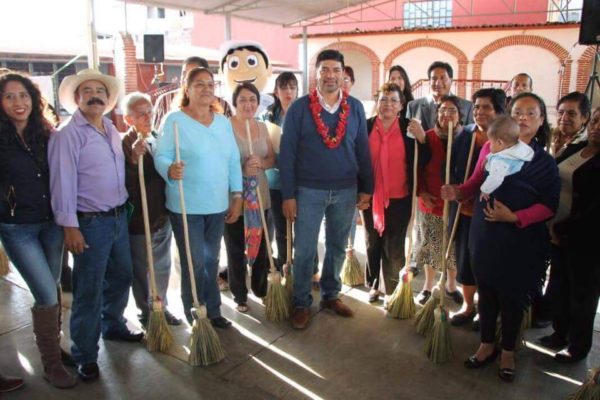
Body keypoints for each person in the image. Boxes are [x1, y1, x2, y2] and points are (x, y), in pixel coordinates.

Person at [444, 92, 560, 382]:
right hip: (485, 235)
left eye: (531, 113)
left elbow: (549, 206)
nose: (522, 117)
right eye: (518, 111)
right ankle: (486, 344)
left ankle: (508, 349)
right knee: (486, 292)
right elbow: (474, 183)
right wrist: (458, 192)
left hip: (520, 240)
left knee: (512, 296)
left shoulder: (543, 162)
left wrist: (515, 217)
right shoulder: (491, 149)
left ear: (542, 120)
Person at [49, 69, 143, 381]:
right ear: (77, 98)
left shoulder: (111, 130)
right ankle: (85, 355)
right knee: (88, 290)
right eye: (86, 90)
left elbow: (109, 170)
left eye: (99, 91)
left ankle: (112, 324)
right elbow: (61, 183)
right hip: (89, 224)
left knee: (122, 276)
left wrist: (134, 159)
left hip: (117, 217)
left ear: (107, 98)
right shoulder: (67, 134)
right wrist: (70, 227)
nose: (94, 95)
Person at [280, 49, 374, 330]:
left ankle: (331, 296)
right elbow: (287, 154)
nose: (331, 76)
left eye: (336, 70)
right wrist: (288, 195)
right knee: (305, 248)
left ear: (343, 74)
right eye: (325, 70)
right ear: (316, 73)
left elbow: (362, 149)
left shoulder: (355, 107)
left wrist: (367, 187)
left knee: (336, 246)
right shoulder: (299, 108)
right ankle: (300, 302)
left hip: (346, 189)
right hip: (308, 191)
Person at [0, 72, 77, 388]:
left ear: (34, 98)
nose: (19, 102)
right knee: (45, 291)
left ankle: (53, 348)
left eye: (24, 95)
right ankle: (51, 364)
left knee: (54, 287)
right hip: (18, 228)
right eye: (10, 96)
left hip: (51, 225)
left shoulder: (46, 134)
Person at [154, 67, 242, 328]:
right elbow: (161, 155)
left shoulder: (223, 122)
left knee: (212, 259)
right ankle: (195, 309)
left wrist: (236, 195)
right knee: (194, 260)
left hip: (216, 204)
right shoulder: (174, 121)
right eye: (199, 84)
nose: (206, 88)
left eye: (210, 84)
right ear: (187, 89)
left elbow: (233, 161)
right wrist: (169, 169)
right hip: (185, 204)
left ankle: (213, 310)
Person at [538, 105, 598, 364]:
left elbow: (596, 209)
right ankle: (559, 332)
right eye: (595, 120)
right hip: (557, 230)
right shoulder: (577, 149)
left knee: (581, 294)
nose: (597, 126)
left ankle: (578, 345)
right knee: (559, 284)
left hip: (586, 240)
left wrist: (564, 228)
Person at [363, 83, 428, 302]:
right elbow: (357, 161)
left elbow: (425, 158)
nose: (387, 104)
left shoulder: (409, 128)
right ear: (377, 103)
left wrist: (422, 139)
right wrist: (359, 192)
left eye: (393, 100)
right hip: (370, 197)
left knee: (394, 245)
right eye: (383, 99)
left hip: (400, 197)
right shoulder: (366, 126)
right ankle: (373, 285)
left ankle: (392, 291)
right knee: (372, 242)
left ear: (401, 105)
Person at [121, 92, 181, 327]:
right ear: (128, 119)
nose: (148, 117)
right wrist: (135, 161)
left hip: (160, 215)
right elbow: (126, 185)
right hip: (139, 219)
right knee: (142, 270)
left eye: (150, 112)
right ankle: (146, 312)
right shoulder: (126, 144)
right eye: (141, 114)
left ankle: (161, 306)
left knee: (162, 267)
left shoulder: (157, 138)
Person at [448, 88, 506, 328]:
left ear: (499, 111)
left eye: (486, 107)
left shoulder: (507, 142)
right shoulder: (465, 135)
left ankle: (486, 309)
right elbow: (454, 169)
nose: (480, 112)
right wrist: (456, 191)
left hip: (491, 214)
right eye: (477, 107)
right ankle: (467, 305)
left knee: (486, 263)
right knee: (465, 261)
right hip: (464, 210)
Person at [224, 83, 275, 312]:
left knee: (262, 245)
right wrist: (241, 168)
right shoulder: (225, 128)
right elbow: (220, 162)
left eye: (252, 99)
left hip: (260, 195)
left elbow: (271, 158)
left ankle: (260, 288)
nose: (248, 104)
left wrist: (261, 164)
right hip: (235, 198)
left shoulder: (263, 127)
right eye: (243, 100)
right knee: (235, 248)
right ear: (234, 103)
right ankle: (239, 295)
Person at [409, 95, 463, 306]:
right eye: (442, 110)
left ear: (459, 115)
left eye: (452, 110)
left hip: (454, 204)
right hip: (430, 201)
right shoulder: (427, 137)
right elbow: (417, 169)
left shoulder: (465, 138)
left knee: (452, 248)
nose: (446, 114)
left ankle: (450, 286)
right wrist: (422, 192)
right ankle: (428, 286)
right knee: (429, 246)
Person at [261, 72, 298, 269]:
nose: (288, 92)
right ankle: (286, 269)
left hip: (300, 180)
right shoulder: (268, 115)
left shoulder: (304, 113)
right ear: (276, 91)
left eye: (292, 87)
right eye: (284, 87)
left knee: (303, 230)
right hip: (274, 179)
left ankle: (310, 270)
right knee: (282, 230)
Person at [152, 56, 232, 129]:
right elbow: (155, 134)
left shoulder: (223, 105)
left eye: (192, 74)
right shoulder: (165, 100)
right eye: (184, 73)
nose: (185, 78)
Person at [406, 61, 474, 132]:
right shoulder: (413, 106)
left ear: (451, 80)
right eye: (434, 78)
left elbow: (469, 136)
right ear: (429, 81)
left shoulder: (467, 107)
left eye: (442, 78)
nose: (438, 83)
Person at [478, 116, 533, 200]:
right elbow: (496, 153)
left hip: (504, 194)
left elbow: (495, 178)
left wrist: (485, 190)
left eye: (491, 143)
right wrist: (488, 158)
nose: (489, 146)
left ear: (500, 142)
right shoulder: (516, 148)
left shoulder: (501, 161)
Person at [220, 41, 274, 116]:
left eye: (252, 61)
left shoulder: (270, 104)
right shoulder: (223, 106)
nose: (243, 69)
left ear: (268, 70)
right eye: (234, 63)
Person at [551, 91, 590, 157]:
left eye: (571, 114)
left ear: (585, 117)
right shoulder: (547, 136)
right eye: (560, 112)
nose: (564, 118)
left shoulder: (587, 145)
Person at [387, 65, 414, 134]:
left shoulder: (412, 104)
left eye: (400, 78)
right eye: (392, 79)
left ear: (405, 81)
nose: (396, 82)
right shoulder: (383, 102)